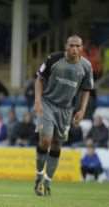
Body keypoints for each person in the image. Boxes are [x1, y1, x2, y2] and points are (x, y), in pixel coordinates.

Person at [34, 35, 94, 196]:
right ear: (66, 46)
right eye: (71, 45)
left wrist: (81, 110)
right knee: (45, 139)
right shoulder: (54, 59)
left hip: (66, 110)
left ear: (82, 48)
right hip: (48, 103)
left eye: (78, 46)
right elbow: (39, 79)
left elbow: (86, 89)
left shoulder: (86, 66)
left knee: (56, 145)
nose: (74, 49)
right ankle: (39, 173)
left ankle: (47, 180)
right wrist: (38, 101)